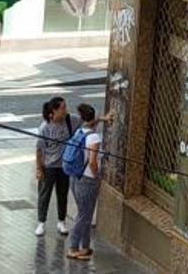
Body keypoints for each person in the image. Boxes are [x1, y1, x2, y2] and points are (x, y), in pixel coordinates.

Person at [35, 96, 80, 237]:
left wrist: (102, 118)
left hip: (64, 166)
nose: (66, 110)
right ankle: (41, 222)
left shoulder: (70, 120)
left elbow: (87, 120)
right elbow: (39, 150)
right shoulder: (45, 128)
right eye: (63, 108)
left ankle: (61, 221)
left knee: (62, 193)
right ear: (53, 111)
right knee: (44, 194)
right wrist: (39, 168)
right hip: (49, 166)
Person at [67, 104, 107, 261]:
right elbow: (92, 162)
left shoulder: (79, 132)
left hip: (75, 177)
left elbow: (92, 122)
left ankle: (85, 246)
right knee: (84, 215)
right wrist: (97, 176)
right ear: (93, 118)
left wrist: (102, 118)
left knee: (85, 213)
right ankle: (73, 247)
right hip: (88, 180)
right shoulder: (94, 138)